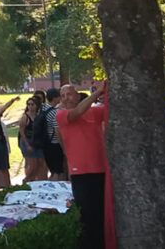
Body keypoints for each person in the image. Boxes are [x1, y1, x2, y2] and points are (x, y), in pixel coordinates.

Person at [56, 83, 110, 248]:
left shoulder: (95, 112)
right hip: (80, 173)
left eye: (70, 94)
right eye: (63, 95)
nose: (66, 98)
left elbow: (110, 110)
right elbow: (78, 112)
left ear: (78, 96)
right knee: (86, 216)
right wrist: (98, 92)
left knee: (101, 214)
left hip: (100, 170)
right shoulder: (61, 115)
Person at [40, 87, 66, 180]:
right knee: (58, 172)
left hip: (45, 143)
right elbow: (57, 131)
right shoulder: (54, 112)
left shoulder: (42, 108)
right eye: (60, 96)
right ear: (55, 98)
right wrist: (63, 148)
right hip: (54, 144)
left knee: (52, 171)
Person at [18, 97, 46, 182]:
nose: (30, 106)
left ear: (36, 105)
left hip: (36, 142)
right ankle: (26, 180)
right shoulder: (25, 117)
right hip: (27, 141)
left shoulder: (39, 116)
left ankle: (36, 180)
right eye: (28, 104)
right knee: (32, 164)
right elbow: (21, 131)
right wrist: (27, 145)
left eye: (32, 104)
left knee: (40, 163)